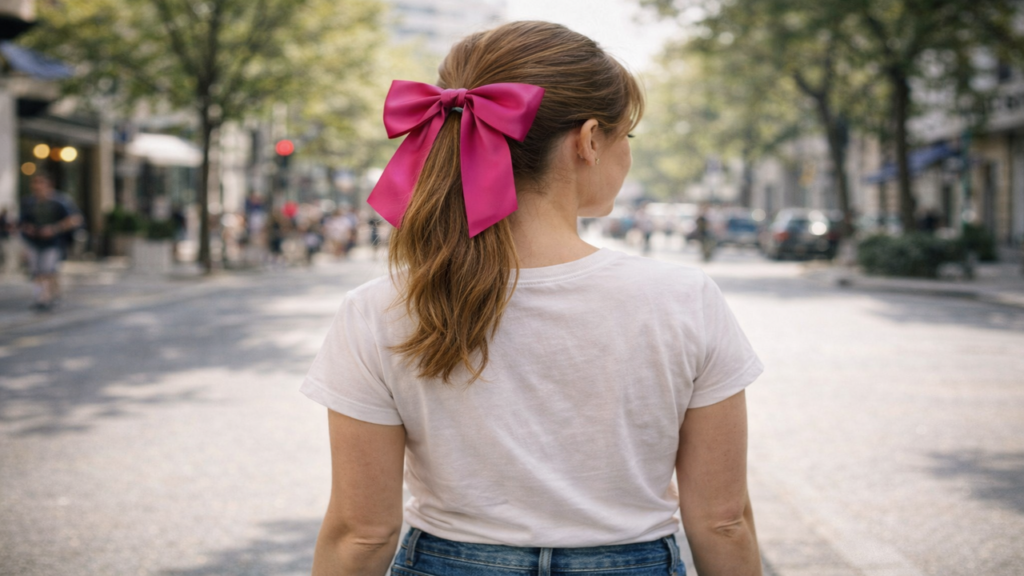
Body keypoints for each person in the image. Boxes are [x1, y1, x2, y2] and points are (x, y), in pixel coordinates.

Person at [301, 21, 764, 576]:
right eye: (627, 137)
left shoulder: (380, 308)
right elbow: (722, 520)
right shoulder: (683, 299)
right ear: (590, 140)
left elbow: (362, 532)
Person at [19, 173, 83, 310]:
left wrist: (54, 229)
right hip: (33, 242)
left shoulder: (60, 201)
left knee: (48, 270)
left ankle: (46, 298)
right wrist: (28, 229)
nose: (37, 188)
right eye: (35, 184)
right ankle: (41, 298)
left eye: (41, 184)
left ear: (49, 186)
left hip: (53, 243)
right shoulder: (28, 202)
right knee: (36, 272)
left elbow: (75, 219)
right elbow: (21, 222)